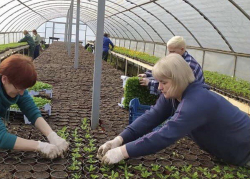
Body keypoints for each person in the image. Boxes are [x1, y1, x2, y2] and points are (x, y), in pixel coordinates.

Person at [98, 53, 250, 167]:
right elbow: (151, 117)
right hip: (232, 152)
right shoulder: (173, 95)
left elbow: (165, 135)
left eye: (163, 82)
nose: (159, 87)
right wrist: (118, 140)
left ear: (178, 79)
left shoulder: (197, 101)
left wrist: (123, 152)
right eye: (158, 82)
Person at [138, 36, 204, 95]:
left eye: (173, 51)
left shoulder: (187, 65)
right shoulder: (177, 59)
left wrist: (150, 83)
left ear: (182, 49)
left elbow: (174, 86)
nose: (170, 54)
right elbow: (165, 71)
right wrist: (148, 74)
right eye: (169, 51)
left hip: (194, 96)